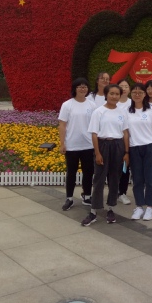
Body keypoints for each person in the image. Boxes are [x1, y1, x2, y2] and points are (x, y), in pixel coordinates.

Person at [82, 84, 129, 226]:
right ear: (106, 95)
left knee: (115, 178)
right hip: (103, 145)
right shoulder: (99, 112)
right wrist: (97, 153)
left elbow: (125, 133)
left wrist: (126, 152)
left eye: (117, 94)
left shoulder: (122, 112)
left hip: (118, 145)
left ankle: (111, 208)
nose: (114, 96)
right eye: (111, 93)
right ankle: (93, 211)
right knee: (99, 178)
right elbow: (94, 134)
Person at [126, 83, 152, 221]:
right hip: (134, 147)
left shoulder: (151, 110)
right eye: (134, 92)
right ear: (131, 94)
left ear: (144, 94)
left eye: (140, 92)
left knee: (150, 179)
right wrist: (126, 151)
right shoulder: (127, 111)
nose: (137, 95)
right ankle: (139, 206)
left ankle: (150, 207)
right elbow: (125, 132)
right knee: (137, 179)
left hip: (150, 147)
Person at [58, 78, 96, 211]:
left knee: (88, 172)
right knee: (71, 172)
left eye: (85, 86)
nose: (82, 89)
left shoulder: (92, 105)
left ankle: (87, 196)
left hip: (88, 145)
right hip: (72, 145)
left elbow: (95, 125)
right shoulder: (67, 105)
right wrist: (62, 143)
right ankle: (69, 198)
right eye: (79, 86)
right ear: (74, 88)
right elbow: (62, 125)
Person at [117, 79, 132, 205]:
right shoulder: (113, 103)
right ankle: (115, 191)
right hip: (116, 140)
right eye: (121, 86)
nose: (124, 88)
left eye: (126, 86)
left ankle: (122, 192)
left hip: (131, 140)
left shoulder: (133, 103)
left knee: (125, 168)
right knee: (114, 168)